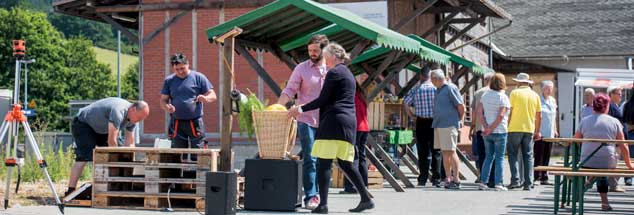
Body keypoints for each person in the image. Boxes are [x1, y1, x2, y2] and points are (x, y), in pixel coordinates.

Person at [289, 43, 374, 213]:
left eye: (326, 57)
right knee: (346, 164)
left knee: (323, 163)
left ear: (334, 57)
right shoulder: (349, 74)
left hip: (333, 121)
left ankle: (323, 205)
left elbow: (322, 100)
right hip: (348, 123)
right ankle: (365, 198)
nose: (325, 61)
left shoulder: (334, 72)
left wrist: (299, 109)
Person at [277, 34, 329, 209]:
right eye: (310, 50)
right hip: (306, 119)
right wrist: (277, 107)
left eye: (315, 50)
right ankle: (311, 196)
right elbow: (290, 89)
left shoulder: (332, 69)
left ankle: (324, 196)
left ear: (324, 50)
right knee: (310, 157)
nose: (312, 53)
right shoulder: (301, 68)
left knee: (325, 159)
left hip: (327, 120)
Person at [66, 98, 150, 196]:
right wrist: (118, 162)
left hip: (101, 129)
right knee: (84, 157)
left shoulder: (133, 119)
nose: (139, 121)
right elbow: (112, 141)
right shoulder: (118, 111)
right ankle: (70, 190)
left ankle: (107, 187)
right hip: (83, 124)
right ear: (133, 109)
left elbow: (130, 143)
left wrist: (130, 163)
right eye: (139, 118)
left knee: (108, 156)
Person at [574, 93, 634, 211]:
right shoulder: (614, 122)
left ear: (594, 106)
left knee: (597, 166)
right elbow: (623, 145)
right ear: (607, 106)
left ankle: (589, 182)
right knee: (604, 165)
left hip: (586, 161)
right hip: (608, 162)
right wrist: (629, 164)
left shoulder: (584, 121)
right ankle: (604, 202)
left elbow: (576, 140)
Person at [160, 53, 216, 160]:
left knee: (199, 153)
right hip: (176, 122)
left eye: (182, 68)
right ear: (173, 68)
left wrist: (205, 99)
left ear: (188, 64)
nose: (180, 72)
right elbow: (163, 100)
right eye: (177, 69)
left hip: (195, 122)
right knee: (177, 154)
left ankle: (198, 175)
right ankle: (179, 175)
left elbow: (213, 95)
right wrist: (167, 107)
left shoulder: (199, 77)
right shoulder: (169, 81)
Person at [403, 68, 443, 187]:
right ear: (430, 76)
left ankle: (423, 178)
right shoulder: (436, 89)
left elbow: (405, 103)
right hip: (435, 121)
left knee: (423, 151)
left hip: (420, 122)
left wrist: (412, 116)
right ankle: (436, 178)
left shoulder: (415, 90)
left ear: (421, 76)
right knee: (436, 151)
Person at [430, 69, 465, 190]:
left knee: (451, 151)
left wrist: (460, 121)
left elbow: (461, 106)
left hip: (449, 124)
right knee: (445, 152)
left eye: (432, 80)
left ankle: (456, 179)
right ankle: (448, 178)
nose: (432, 82)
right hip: (439, 124)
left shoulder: (450, 88)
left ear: (436, 79)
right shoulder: (438, 90)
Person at [507, 73, 541, 190]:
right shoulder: (535, 95)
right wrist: (537, 131)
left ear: (518, 82)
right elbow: (539, 115)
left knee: (513, 155)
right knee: (528, 156)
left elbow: (510, 112)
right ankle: (528, 182)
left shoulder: (514, 93)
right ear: (528, 83)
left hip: (514, 128)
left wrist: (507, 126)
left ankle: (515, 180)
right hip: (529, 128)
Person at [476, 73, 510, 191]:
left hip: (487, 131)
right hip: (500, 131)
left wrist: (486, 126)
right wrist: (492, 128)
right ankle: (498, 183)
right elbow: (501, 115)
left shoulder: (485, 95)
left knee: (488, 157)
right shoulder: (503, 97)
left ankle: (483, 181)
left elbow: (479, 112)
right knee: (499, 158)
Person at [341, 83, 370, 194]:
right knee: (361, 156)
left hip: (356, 128)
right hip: (365, 128)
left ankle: (351, 186)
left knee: (352, 157)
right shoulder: (362, 95)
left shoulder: (351, 96)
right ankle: (364, 185)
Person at [470, 72, 495, 187]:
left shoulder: (478, 92)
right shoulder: (497, 92)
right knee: (493, 153)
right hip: (494, 128)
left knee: (482, 154)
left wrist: (472, 126)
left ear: (484, 80)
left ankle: (482, 176)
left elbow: (474, 111)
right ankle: (492, 179)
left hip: (480, 127)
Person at [533, 80, 558, 185]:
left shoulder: (552, 100)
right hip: (540, 132)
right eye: (547, 88)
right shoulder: (538, 100)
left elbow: (554, 116)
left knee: (547, 155)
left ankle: (544, 176)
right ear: (542, 89)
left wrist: (555, 129)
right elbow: (535, 116)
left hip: (550, 132)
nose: (549, 90)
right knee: (539, 155)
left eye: (551, 88)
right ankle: (536, 177)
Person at [607, 86, 626, 191]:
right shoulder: (610, 106)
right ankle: (613, 185)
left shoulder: (615, 106)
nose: (620, 96)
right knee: (616, 163)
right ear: (612, 94)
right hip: (616, 141)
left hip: (619, 140)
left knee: (618, 162)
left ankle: (614, 184)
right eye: (619, 94)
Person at [621, 92, 634, 186]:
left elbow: (624, 120)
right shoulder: (627, 104)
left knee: (629, 158)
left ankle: (628, 178)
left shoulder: (627, 104)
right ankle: (628, 178)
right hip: (630, 132)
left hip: (629, 133)